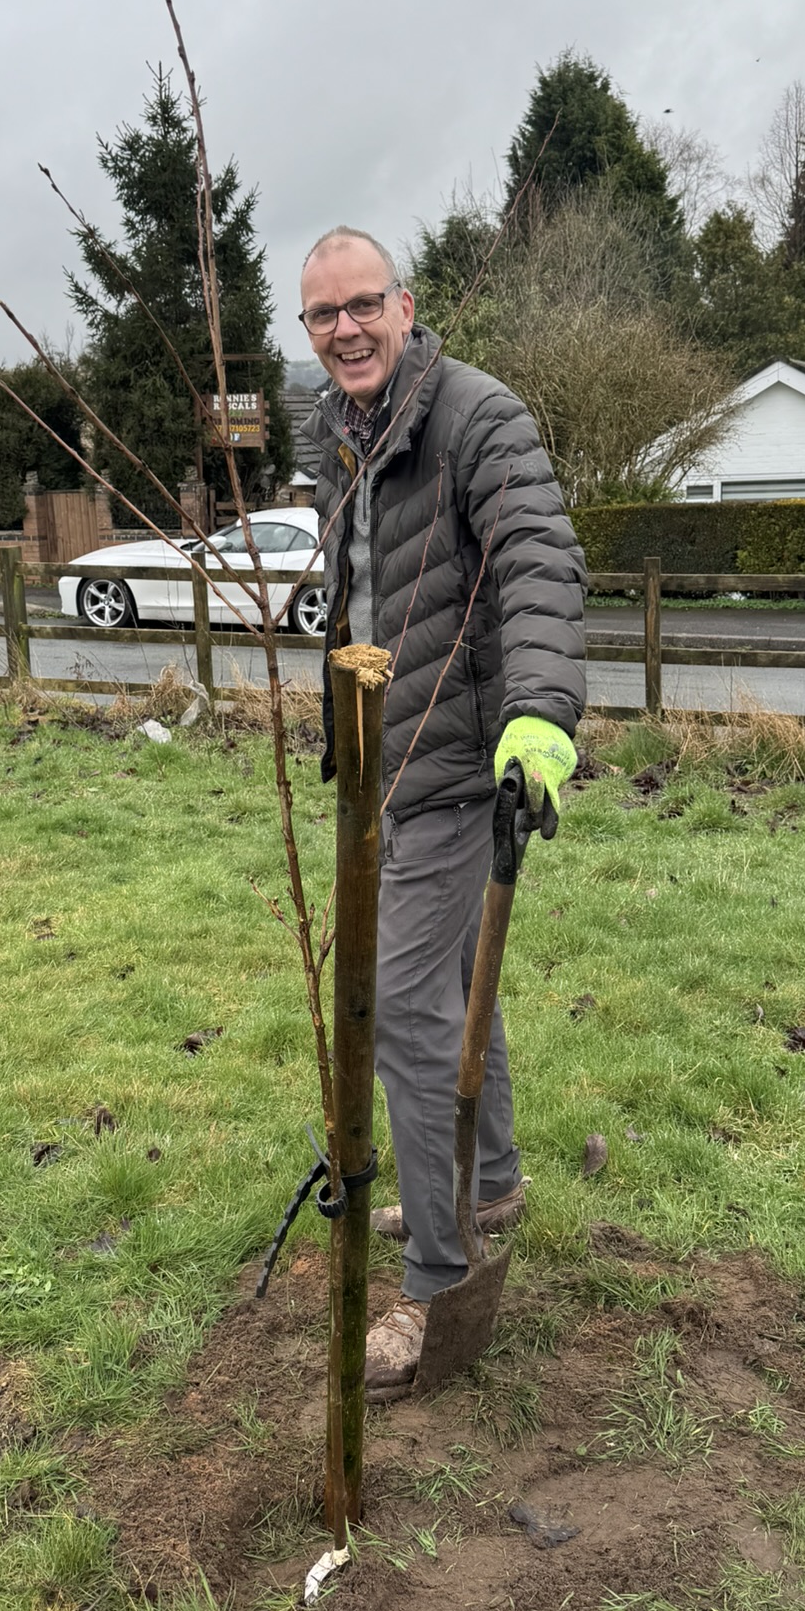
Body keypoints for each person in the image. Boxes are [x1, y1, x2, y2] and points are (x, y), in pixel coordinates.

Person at [297, 225, 586, 1401]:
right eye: (325, 316)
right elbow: (358, 592)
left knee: (409, 1004)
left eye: (365, 304)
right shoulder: (340, 434)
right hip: (387, 763)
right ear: (308, 331)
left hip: (463, 759)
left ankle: (433, 1269)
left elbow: (537, 561)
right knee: (461, 978)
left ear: (405, 307)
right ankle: (494, 1175)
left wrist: (542, 715)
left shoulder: (478, 417)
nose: (348, 328)